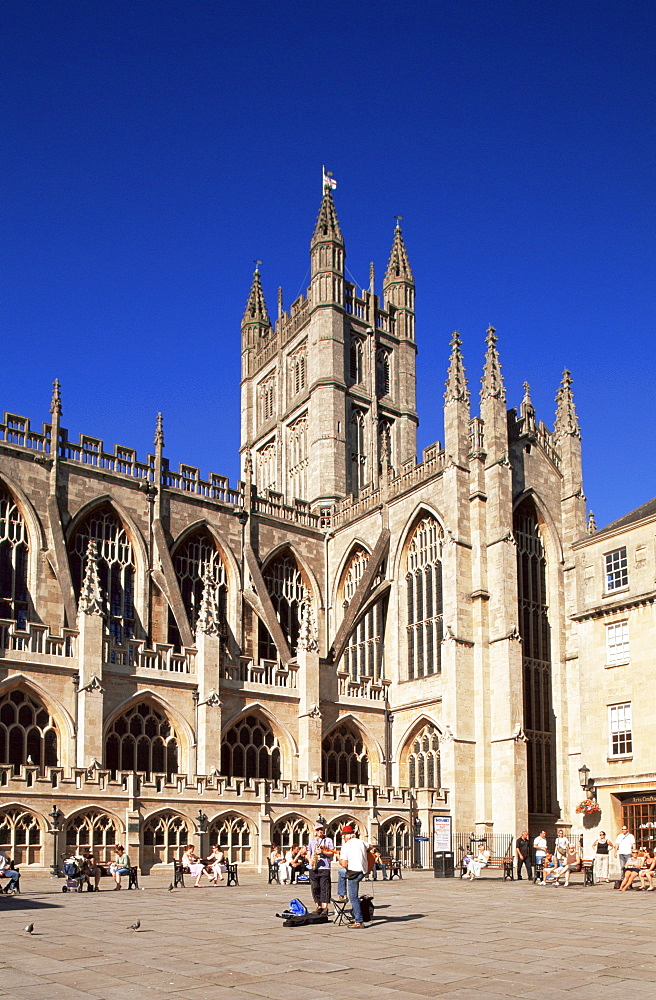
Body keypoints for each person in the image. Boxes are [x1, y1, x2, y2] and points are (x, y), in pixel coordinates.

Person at [338, 824, 369, 928]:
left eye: (343, 837)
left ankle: (359, 921)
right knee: (341, 872)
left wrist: (339, 858)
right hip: (363, 872)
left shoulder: (346, 846)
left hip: (353, 873)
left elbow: (344, 864)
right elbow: (372, 847)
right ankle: (342, 894)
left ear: (347, 836)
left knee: (354, 898)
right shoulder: (362, 842)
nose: (343, 839)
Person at [306, 821, 335, 915]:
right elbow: (308, 852)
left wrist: (322, 852)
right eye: (318, 830)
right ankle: (318, 906)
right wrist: (310, 860)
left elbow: (331, 853)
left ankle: (325, 907)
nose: (320, 831)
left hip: (324, 867)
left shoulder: (328, 840)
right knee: (315, 887)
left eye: (321, 829)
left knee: (325, 887)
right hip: (313, 867)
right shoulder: (312, 841)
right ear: (315, 831)